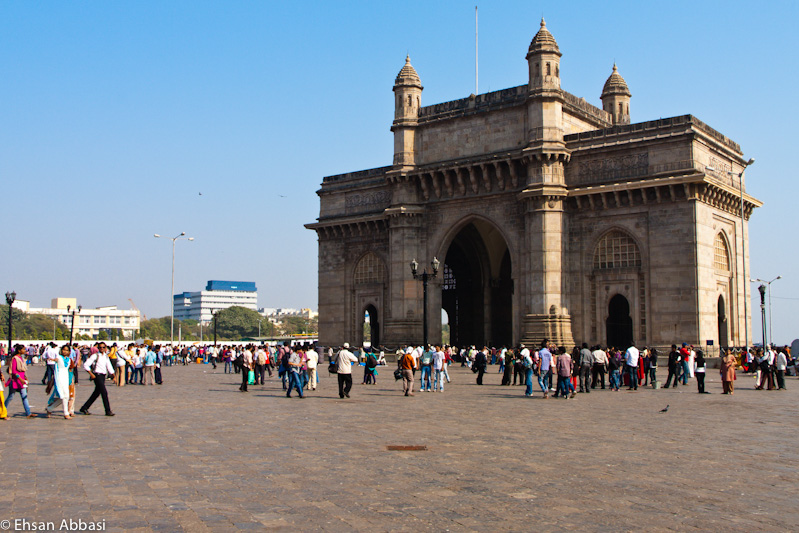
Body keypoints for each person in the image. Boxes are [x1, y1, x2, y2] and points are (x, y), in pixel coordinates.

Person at [80, 343, 115, 416]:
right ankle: (107, 410)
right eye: (100, 347)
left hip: (103, 375)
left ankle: (84, 407)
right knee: (104, 393)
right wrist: (91, 374)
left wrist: (113, 375)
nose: (102, 348)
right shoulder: (95, 356)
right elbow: (86, 365)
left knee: (96, 393)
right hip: (97, 375)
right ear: (98, 348)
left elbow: (109, 366)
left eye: (103, 347)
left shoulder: (105, 356)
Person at [5, 346, 33, 418]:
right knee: (10, 396)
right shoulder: (15, 359)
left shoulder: (22, 359)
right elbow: (14, 371)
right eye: (23, 349)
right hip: (15, 381)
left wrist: (25, 378)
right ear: (19, 350)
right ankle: (3, 410)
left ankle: (28, 413)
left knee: (24, 397)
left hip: (22, 381)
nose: (24, 350)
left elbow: (23, 370)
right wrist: (20, 379)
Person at [46, 345, 73, 419]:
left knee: (65, 397)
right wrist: (52, 359)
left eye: (67, 350)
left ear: (69, 352)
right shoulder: (59, 357)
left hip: (66, 379)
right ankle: (66, 413)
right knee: (62, 396)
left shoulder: (69, 360)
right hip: (59, 378)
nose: (65, 351)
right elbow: (56, 359)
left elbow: (70, 370)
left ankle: (50, 408)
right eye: (64, 350)